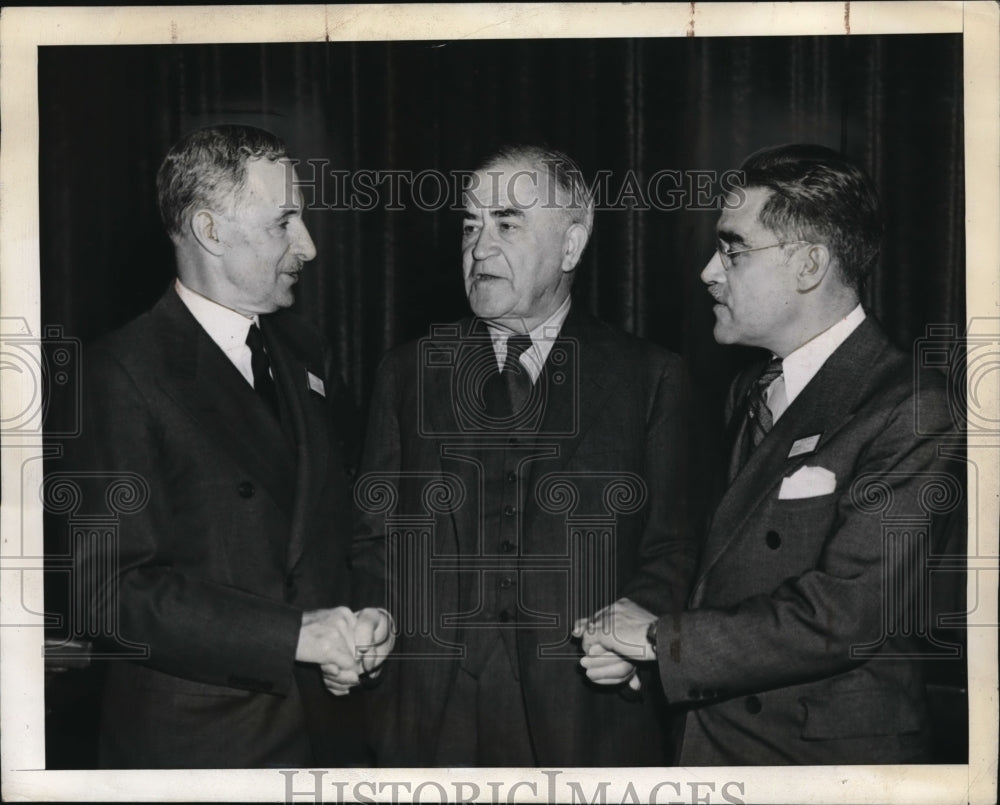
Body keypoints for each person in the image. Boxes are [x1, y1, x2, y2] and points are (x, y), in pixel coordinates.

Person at [576, 144, 964, 765]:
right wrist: (643, 652)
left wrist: (657, 639)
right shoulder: (749, 388)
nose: (708, 270)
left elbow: (846, 615)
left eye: (732, 248)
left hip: (821, 763)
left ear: (809, 264)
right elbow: (728, 574)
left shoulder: (912, 408)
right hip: (721, 741)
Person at [350, 145, 705, 766]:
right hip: (427, 720)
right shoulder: (405, 373)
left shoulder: (651, 378)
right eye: (469, 225)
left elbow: (672, 547)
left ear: (571, 246)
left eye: (506, 223)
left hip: (583, 718)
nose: (479, 248)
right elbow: (373, 537)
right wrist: (377, 616)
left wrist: (633, 634)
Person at [70, 125, 392, 768]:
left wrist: (370, 615)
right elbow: (109, 592)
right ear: (210, 231)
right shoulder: (120, 373)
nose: (308, 245)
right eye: (285, 222)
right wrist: (294, 634)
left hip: (327, 731)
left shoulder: (306, 353)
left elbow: (347, 519)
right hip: (204, 748)